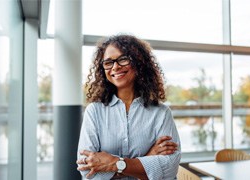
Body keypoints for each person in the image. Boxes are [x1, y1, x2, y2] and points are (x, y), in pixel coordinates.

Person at [77, 34, 181, 180]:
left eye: (123, 59)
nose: (115, 66)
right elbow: (87, 172)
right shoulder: (94, 111)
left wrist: (114, 164)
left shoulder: (161, 113)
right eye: (108, 62)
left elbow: (169, 169)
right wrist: (147, 160)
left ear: (139, 62)